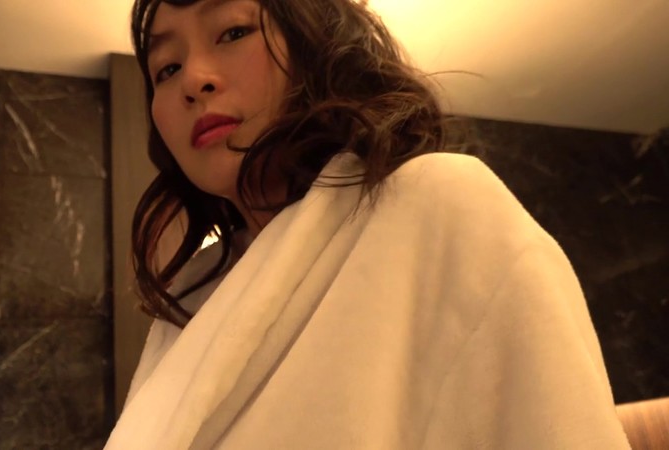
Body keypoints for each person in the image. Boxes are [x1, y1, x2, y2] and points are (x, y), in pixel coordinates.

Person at [105, 0, 631, 448]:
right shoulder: (189, 301)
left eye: (233, 32)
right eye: (166, 69)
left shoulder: (443, 206)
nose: (193, 80)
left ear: (316, 46)